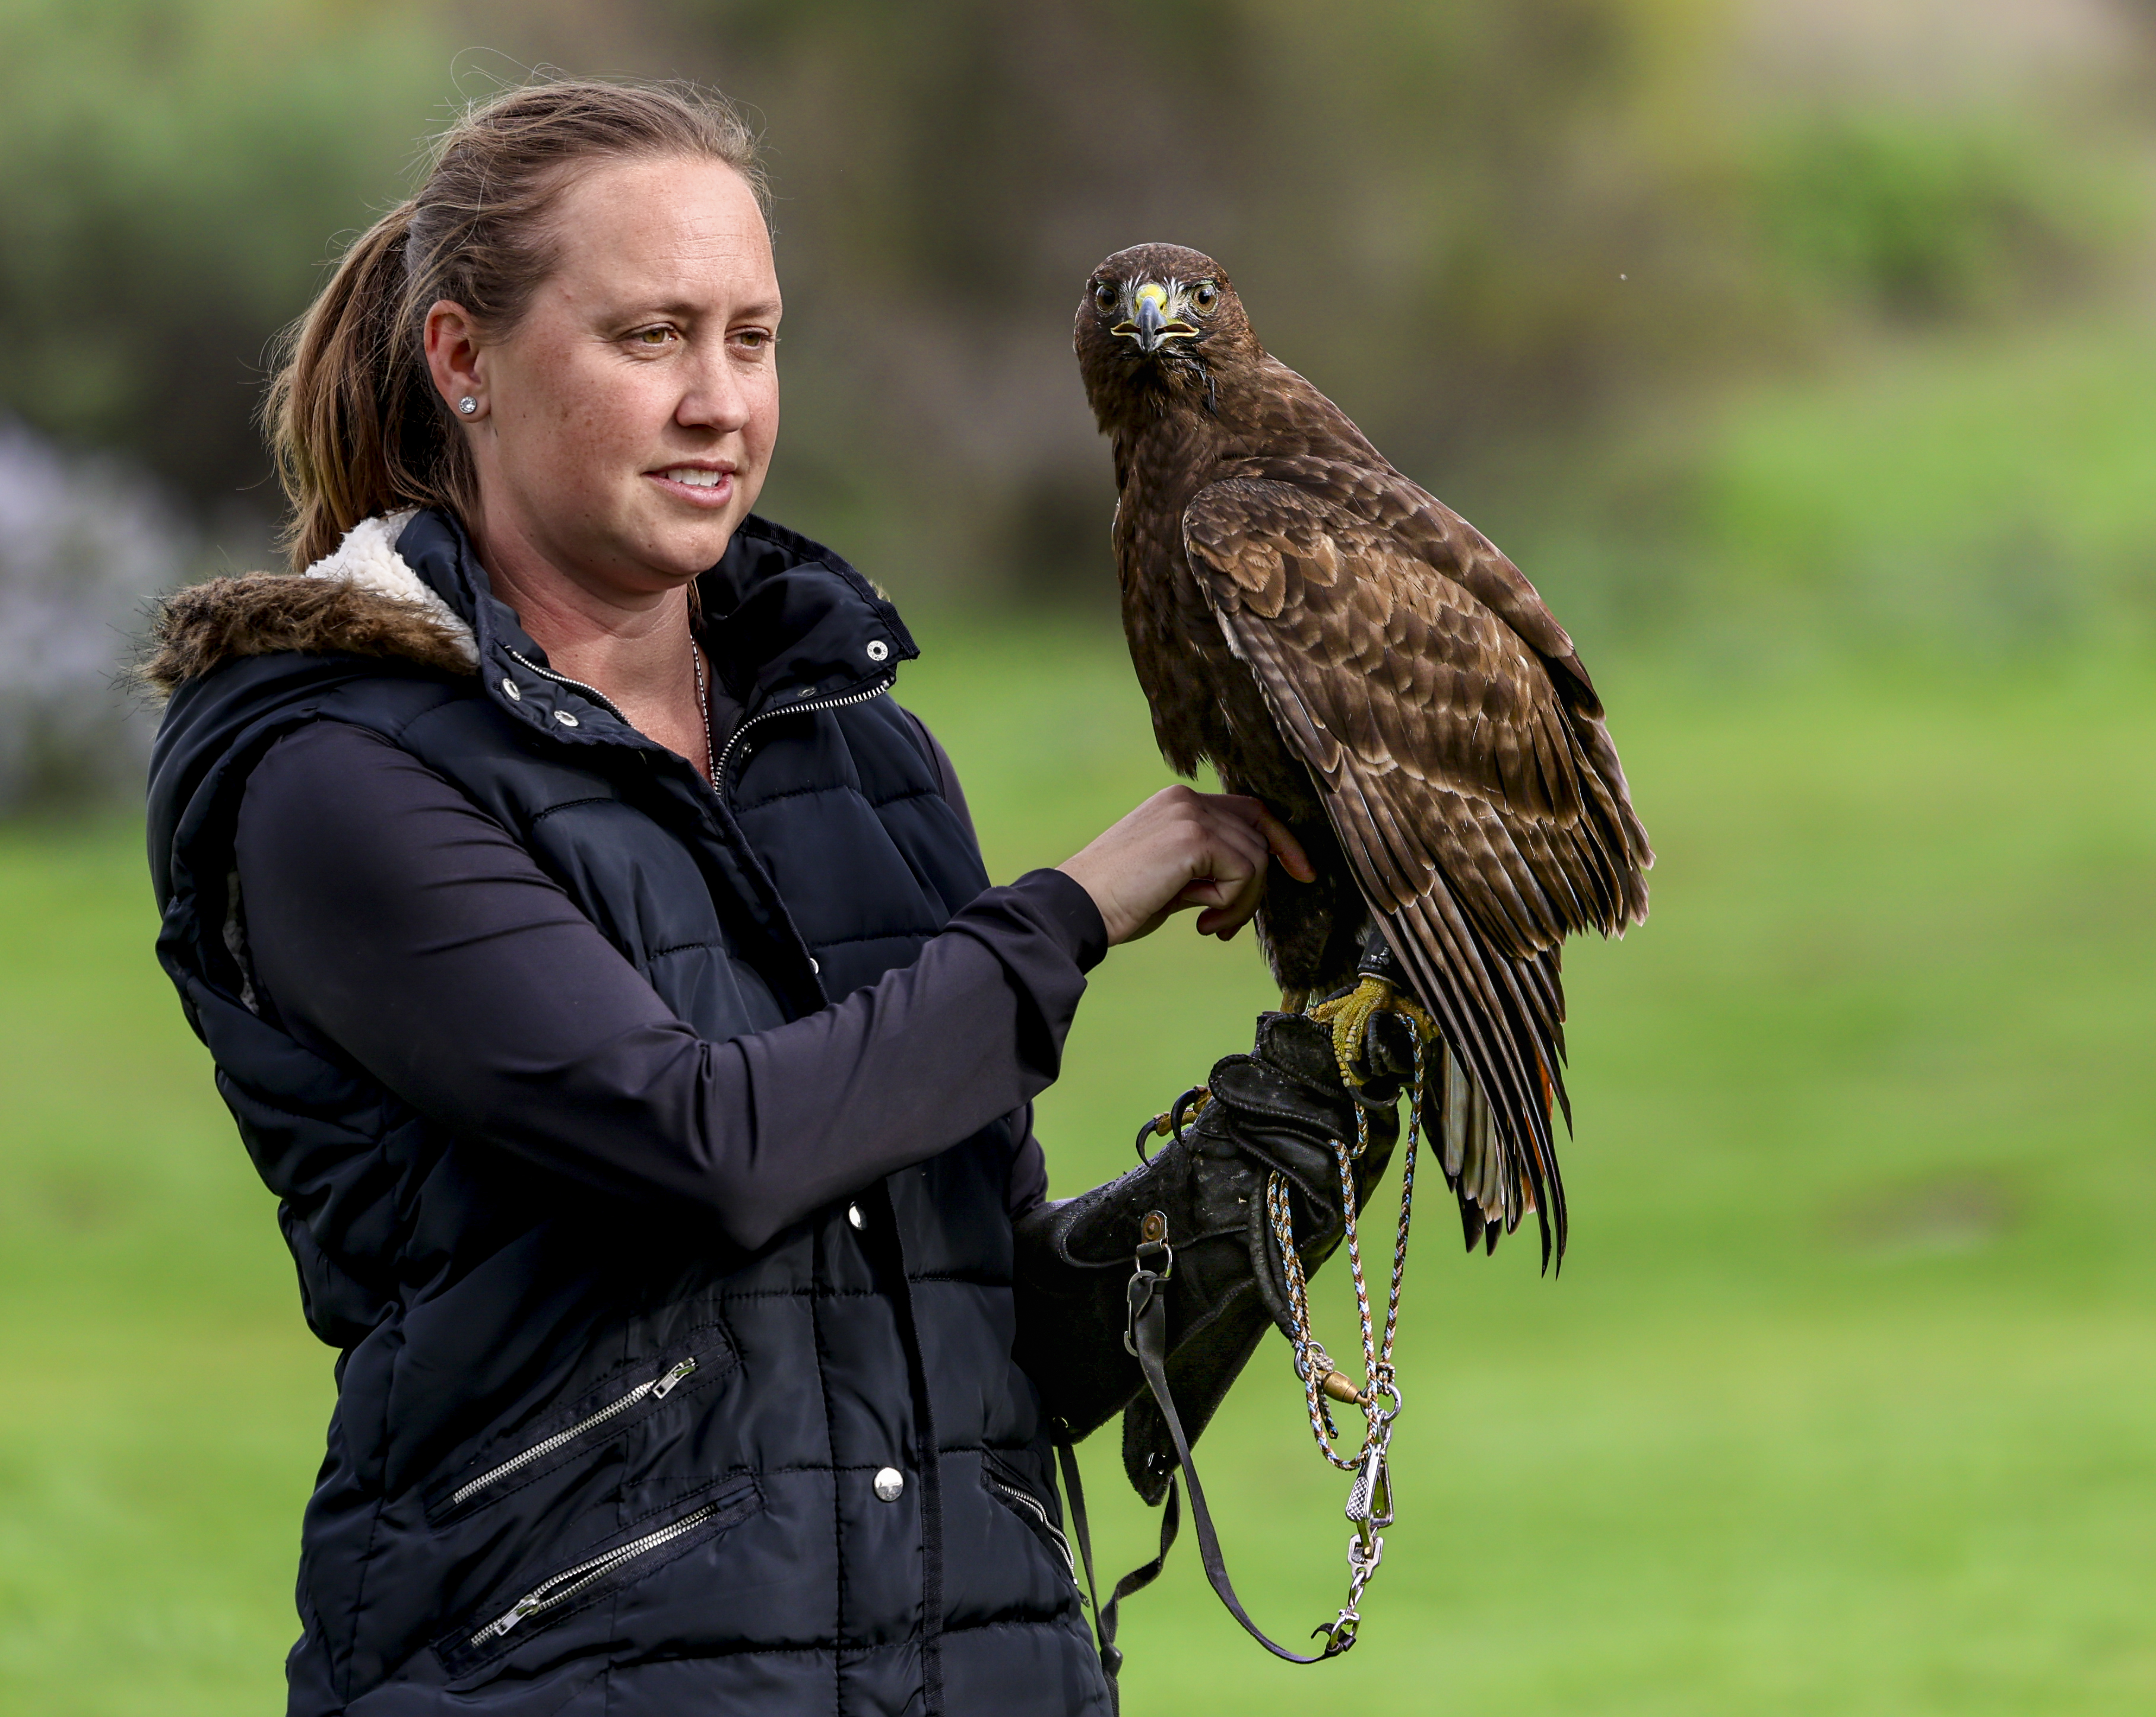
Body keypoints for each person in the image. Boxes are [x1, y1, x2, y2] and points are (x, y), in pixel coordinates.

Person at [141, 80, 1358, 1717]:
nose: (717, 400)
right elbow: (702, 1150)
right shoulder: (341, 773)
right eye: (649, 338)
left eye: (751, 338)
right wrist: (1069, 911)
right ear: (462, 361)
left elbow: (992, 1324)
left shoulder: (860, 756)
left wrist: (1262, 1172)